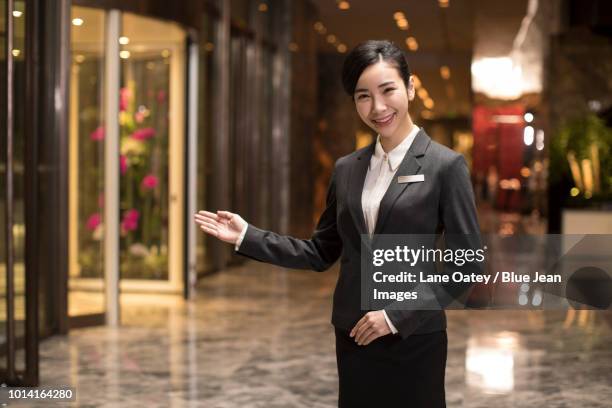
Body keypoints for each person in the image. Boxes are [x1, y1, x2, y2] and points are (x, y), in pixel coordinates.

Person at [194, 40, 480, 408]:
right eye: (363, 96)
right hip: (354, 336)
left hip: (414, 338)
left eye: (388, 90)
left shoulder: (446, 166)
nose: (377, 107)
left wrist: (394, 316)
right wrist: (248, 236)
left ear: (410, 88)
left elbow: (466, 269)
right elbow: (319, 252)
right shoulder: (348, 169)